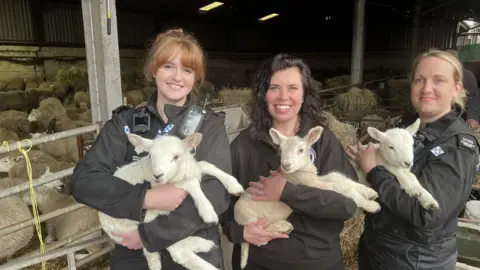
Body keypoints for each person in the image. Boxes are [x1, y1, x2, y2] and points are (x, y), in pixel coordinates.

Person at [71, 28, 232, 270]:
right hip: (135, 258)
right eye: (168, 66)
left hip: (191, 250)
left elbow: (216, 193)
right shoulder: (125, 124)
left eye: (187, 70)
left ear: (195, 77)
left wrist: (150, 235)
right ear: (154, 69)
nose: (177, 77)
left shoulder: (208, 126)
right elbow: (85, 180)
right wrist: (144, 197)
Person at [221, 54, 358, 270]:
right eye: (274, 87)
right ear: (263, 95)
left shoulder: (322, 141)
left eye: (293, 88)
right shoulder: (243, 145)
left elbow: (347, 205)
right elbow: (221, 200)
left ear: (304, 95)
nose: (283, 96)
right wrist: (239, 231)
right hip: (259, 262)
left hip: (317, 262)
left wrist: (287, 192)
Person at [348, 48, 480, 270]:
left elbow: (426, 215)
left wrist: (373, 170)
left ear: (457, 88)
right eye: (419, 80)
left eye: (439, 80)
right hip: (381, 248)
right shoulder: (409, 128)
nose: (427, 88)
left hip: (416, 260)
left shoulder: (457, 146)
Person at [446, 49, 480, 129]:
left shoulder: (466, 75)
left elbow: (472, 97)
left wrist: (472, 117)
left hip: (460, 117)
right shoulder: (437, 73)